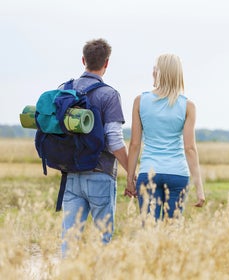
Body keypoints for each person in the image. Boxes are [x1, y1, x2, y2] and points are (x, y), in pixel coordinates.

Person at [61, 38, 128, 257]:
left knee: (69, 241)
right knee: (103, 240)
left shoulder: (64, 89)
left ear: (83, 60)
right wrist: (132, 172)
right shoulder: (109, 94)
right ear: (106, 63)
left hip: (71, 174)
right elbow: (115, 140)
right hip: (100, 174)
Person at [125, 53, 205, 221]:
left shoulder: (140, 101)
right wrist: (199, 188)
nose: (152, 72)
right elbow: (190, 148)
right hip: (177, 174)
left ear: (159, 73)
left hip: (149, 173)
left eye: (155, 68)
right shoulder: (188, 106)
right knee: (172, 231)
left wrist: (130, 179)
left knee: (149, 231)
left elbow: (134, 144)